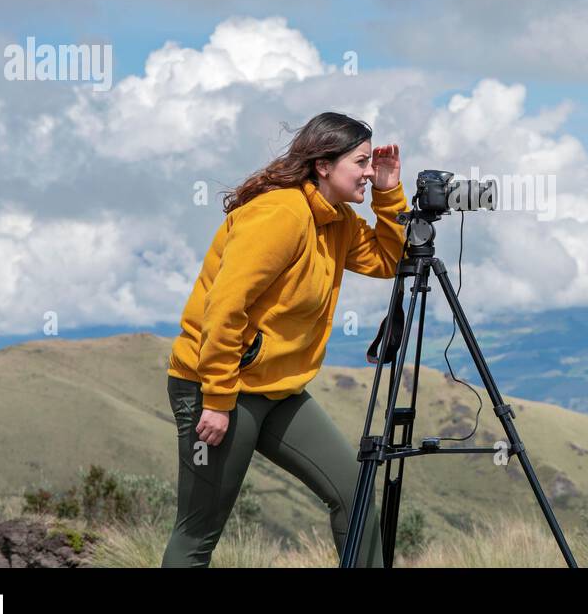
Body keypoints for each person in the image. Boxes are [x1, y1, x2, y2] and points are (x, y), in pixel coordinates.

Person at [162, 111, 406, 567]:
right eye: (362, 162)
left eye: (372, 163)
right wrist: (216, 398)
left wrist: (390, 193)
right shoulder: (279, 214)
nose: (370, 172)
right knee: (200, 528)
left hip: (279, 390)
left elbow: (389, 261)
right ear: (323, 165)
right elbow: (225, 308)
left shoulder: (339, 221)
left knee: (352, 490)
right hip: (218, 387)